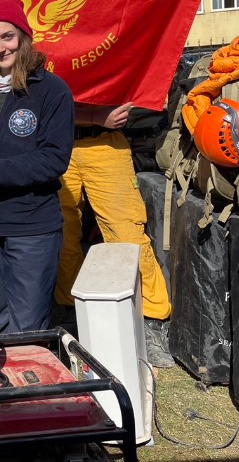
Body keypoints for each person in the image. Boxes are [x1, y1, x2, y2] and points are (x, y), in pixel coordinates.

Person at [0, 0, 75, 334]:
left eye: (7, 37)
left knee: (27, 326)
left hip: (30, 228)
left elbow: (53, 160)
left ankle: (35, 384)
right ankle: (0, 384)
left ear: (23, 37)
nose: (0, 48)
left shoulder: (51, 91)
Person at [53, 102, 175, 368]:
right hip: (56, 143)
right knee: (61, 235)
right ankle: (71, 312)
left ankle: (152, 319)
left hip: (105, 143)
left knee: (127, 233)